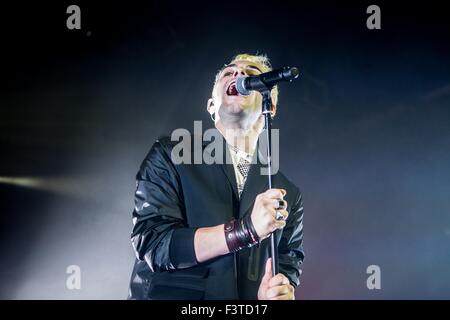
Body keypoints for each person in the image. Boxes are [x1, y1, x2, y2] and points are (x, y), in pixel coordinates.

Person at [128, 53, 304, 300]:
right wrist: (245, 231)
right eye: (229, 73)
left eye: (251, 73)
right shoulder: (172, 154)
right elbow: (154, 244)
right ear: (211, 105)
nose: (240, 75)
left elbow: (287, 264)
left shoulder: (287, 192)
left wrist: (275, 293)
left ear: (269, 106)